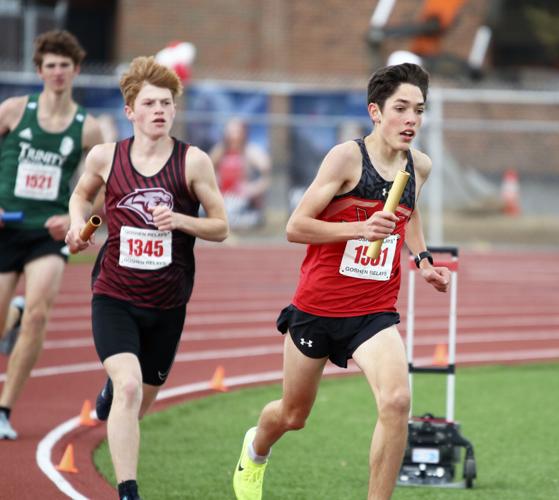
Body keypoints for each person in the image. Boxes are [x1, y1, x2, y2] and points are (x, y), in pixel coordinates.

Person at [233, 63, 451, 500]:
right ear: (375, 111)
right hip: (318, 307)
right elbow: (295, 227)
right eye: (401, 108)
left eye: (419, 110)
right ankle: (255, 449)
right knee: (294, 414)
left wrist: (423, 259)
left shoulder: (419, 166)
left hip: (373, 311)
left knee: (396, 402)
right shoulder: (347, 158)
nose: (412, 120)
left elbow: (408, 213)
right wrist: (360, 229)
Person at [65, 56, 228, 500]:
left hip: (168, 303)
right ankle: (129, 491)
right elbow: (80, 197)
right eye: (150, 103)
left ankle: (112, 388)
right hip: (114, 295)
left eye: (167, 103)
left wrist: (179, 220)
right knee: (131, 386)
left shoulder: (192, 162)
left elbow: (220, 226)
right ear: (130, 110)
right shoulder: (106, 156)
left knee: (137, 400)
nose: (160, 110)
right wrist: (76, 224)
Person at [0, 30, 103, 440]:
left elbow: (106, 188)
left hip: (48, 233)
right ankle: (14, 313)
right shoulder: (11, 111)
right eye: (51, 66)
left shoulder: (88, 128)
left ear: (76, 71)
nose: (58, 73)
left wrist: (72, 219)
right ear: (39, 70)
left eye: (65, 66)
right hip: (6, 227)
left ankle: (4, 408)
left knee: (40, 313)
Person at [209, 118, 271, 229]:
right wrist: (215, 184)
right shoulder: (220, 150)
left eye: (236, 131)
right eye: (230, 131)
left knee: (243, 216)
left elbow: (268, 174)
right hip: (224, 199)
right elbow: (206, 170)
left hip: (243, 202)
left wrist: (253, 189)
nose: (233, 135)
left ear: (243, 133)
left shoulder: (250, 151)